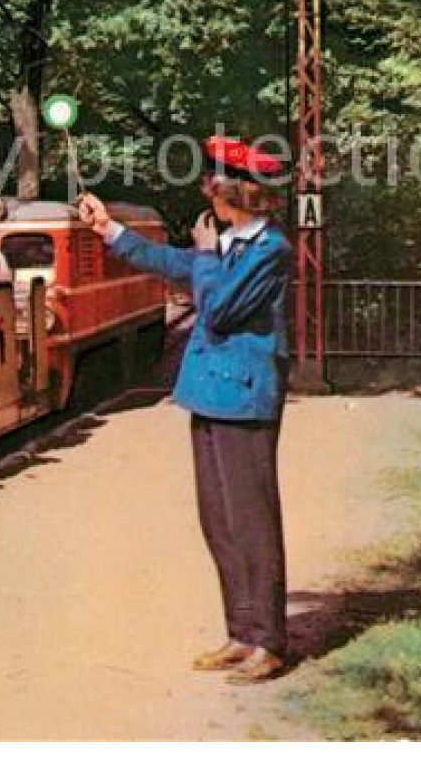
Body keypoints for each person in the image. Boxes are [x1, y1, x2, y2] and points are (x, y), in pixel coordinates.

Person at [77, 133, 292, 685]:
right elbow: (167, 260)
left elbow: (217, 310)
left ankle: (268, 642)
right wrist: (108, 228)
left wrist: (203, 255)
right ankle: (240, 633)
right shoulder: (226, 247)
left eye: (213, 186)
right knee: (219, 520)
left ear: (232, 194)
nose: (206, 194)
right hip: (211, 394)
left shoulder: (269, 250)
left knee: (252, 523)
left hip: (244, 398)